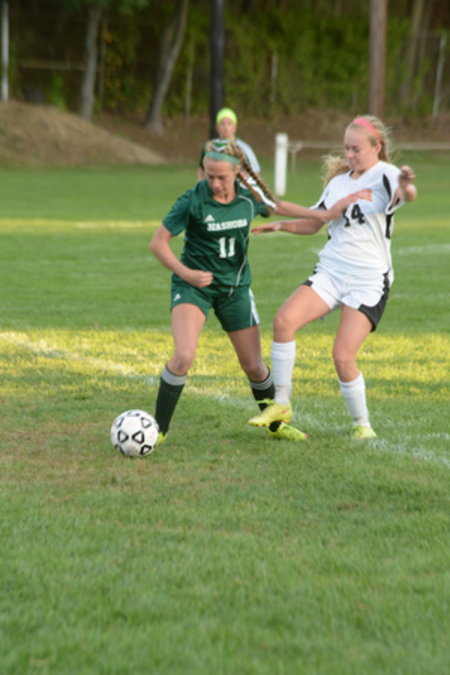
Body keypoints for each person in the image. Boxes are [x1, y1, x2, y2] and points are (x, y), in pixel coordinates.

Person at [149, 139, 357, 447]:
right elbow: (158, 243)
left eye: (221, 177)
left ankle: (276, 426)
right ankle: (158, 430)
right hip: (193, 288)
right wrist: (186, 273)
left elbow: (279, 206)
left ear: (237, 172)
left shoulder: (249, 198)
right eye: (209, 175)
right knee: (183, 357)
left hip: (235, 290)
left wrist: (324, 215)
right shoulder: (192, 200)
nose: (215, 183)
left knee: (255, 367)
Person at [248, 115, 417, 440]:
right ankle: (281, 403)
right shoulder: (338, 183)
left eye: (356, 149)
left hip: (368, 279)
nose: (349, 155)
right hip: (331, 272)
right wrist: (281, 225)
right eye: (346, 148)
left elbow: (407, 194)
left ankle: (362, 425)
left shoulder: (385, 174)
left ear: (377, 147)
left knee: (342, 356)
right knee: (284, 321)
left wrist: (408, 184)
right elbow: (315, 222)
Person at [197, 108, 260, 182]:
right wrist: (201, 183)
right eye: (222, 123)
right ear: (217, 127)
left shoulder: (243, 148)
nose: (226, 127)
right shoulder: (210, 146)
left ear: (235, 127)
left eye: (229, 123)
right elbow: (201, 168)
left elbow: (255, 171)